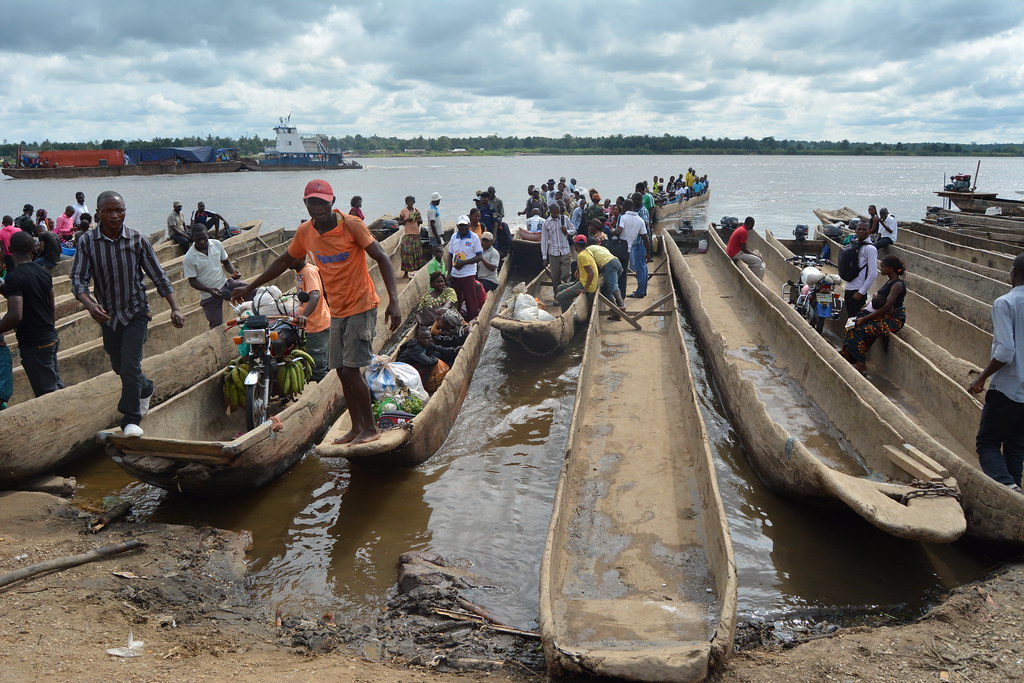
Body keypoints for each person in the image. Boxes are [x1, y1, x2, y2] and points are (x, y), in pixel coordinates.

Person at [232, 179, 400, 446]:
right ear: (305, 203)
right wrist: (251, 286)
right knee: (342, 372)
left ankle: (371, 427)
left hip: (362, 304)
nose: (318, 206)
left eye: (323, 202)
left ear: (332, 202)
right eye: (313, 201)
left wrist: (394, 300)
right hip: (336, 309)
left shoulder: (351, 225)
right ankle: (356, 427)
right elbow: (284, 261)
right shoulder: (305, 232)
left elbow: (381, 256)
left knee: (353, 370)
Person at [71, 191, 186, 437]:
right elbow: (78, 281)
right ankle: (145, 389)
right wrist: (90, 305)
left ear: (125, 211)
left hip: (136, 311)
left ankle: (131, 418)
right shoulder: (87, 242)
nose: (114, 215)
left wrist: (174, 307)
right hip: (107, 314)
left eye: (119, 210)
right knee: (119, 366)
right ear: (98, 214)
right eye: (108, 211)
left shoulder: (137, 240)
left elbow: (158, 275)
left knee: (131, 364)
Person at [968, 253, 1024, 494]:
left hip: (1008, 388)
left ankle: (1007, 488)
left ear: (1013, 273)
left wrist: (981, 377)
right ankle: (1016, 491)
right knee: (1016, 445)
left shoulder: (1005, 303)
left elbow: (1005, 352)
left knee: (987, 443)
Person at [0, 231, 64, 397]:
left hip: (34, 343)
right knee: (56, 383)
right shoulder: (43, 272)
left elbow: (15, 316)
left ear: (9, 249)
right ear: (33, 249)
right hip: (50, 337)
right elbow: (51, 307)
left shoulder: (15, 277)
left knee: (47, 394)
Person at [841, 255, 906, 373]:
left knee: (861, 330)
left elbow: (887, 306)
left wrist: (865, 319)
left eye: (883, 267)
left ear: (890, 269)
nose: (881, 269)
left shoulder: (897, 285)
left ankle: (861, 364)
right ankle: (849, 358)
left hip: (893, 319)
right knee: (851, 325)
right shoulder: (889, 281)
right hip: (883, 316)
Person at [183, 224, 247, 328]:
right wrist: (209, 290)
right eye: (198, 240)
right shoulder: (189, 258)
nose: (202, 242)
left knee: (249, 289)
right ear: (193, 238)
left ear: (208, 235)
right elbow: (192, 281)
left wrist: (234, 272)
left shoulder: (217, 244)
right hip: (209, 294)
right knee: (216, 324)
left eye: (204, 238)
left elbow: (226, 262)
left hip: (225, 284)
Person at [292, 255, 331, 382]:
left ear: (301, 257)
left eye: (292, 257)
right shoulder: (299, 272)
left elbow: (315, 294)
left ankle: (323, 395)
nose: (288, 261)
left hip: (317, 323)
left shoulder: (308, 271)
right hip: (309, 323)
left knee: (317, 364)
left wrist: (304, 315)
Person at [571, 235, 625, 316]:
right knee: (606, 290)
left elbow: (591, 266)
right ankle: (616, 312)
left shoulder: (588, 250)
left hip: (608, 265)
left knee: (612, 286)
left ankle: (621, 304)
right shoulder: (602, 248)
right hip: (617, 263)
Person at [396, 326, 458, 394]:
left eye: (428, 338)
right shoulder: (415, 347)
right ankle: (422, 385)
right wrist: (435, 359)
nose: (426, 340)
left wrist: (453, 350)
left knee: (436, 353)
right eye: (423, 338)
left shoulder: (427, 342)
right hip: (405, 370)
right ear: (417, 338)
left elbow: (439, 348)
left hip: (415, 363)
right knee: (432, 363)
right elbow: (427, 361)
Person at [446, 215, 484, 321]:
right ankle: (456, 321)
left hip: (468, 274)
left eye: (465, 226)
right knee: (456, 300)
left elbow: (479, 256)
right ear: (458, 226)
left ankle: (473, 321)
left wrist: (464, 263)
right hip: (455, 275)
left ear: (469, 226)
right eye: (461, 226)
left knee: (470, 300)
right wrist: (448, 273)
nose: (463, 228)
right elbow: (450, 255)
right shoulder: (454, 237)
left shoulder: (474, 237)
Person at [842, 221, 879, 317]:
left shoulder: (870, 249)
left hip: (858, 290)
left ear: (869, 231)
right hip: (849, 287)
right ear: (855, 230)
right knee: (850, 318)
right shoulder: (855, 244)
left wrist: (861, 292)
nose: (861, 231)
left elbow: (873, 273)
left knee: (856, 319)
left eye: (864, 229)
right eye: (859, 229)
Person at [617, 199, 650, 298]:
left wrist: (612, 231)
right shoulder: (640, 220)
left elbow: (619, 231)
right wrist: (648, 252)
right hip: (635, 247)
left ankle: (626, 295)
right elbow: (645, 237)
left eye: (622, 207)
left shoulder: (623, 217)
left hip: (627, 248)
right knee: (642, 269)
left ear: (625, 207)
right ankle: (641, 291)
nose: (621, 208)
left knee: (625, 273)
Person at [540, 202, 573, 285]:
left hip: (565, 251)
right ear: (550, 212)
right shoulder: (546, 223)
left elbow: (574, 229)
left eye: (558, 212)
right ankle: (557, 295)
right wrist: (544, 257)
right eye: (555, 212)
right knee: (555, 278)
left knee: (566, 275)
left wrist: (567, 231)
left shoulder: (564, 219)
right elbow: (544, 241)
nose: (557, 214)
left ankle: (566, 290)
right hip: (553, 253)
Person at [398, 195, 424, 278]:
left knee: (416, 252)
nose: (410, 203)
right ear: (406, 202)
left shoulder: (416, 211)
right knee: (407, 253)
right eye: (408, 201)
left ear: (414, 202)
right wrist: (407, 220)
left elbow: (421, 221)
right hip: (408, 234)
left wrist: (418, 220)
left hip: (416, 234)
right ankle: (406, 272)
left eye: (411, 201)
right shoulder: (403, 211)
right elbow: (399, 222)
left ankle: (416, 271)